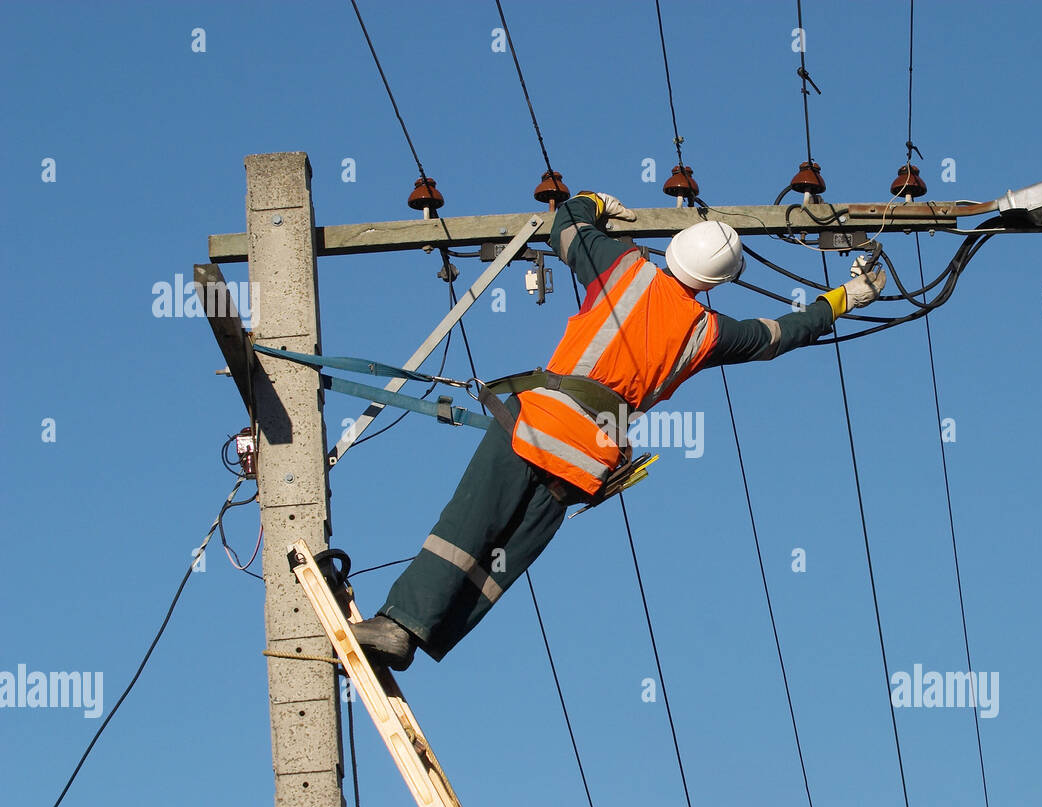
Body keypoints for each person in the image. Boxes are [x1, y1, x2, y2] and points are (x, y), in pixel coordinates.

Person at [351, 189, 886, 670]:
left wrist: (596, 202)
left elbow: (566, 224)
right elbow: (780, 334)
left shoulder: (624, 268)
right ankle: (422, 637)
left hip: (536, 425)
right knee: (502, 558)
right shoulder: (708, 331)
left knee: (467, 526)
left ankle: (399, 626)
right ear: (718, 282)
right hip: (586, 464)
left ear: (674, 249)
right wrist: (844, 297)